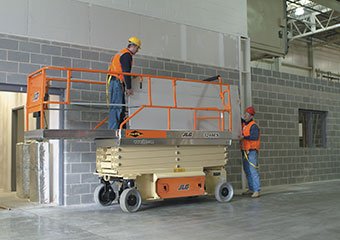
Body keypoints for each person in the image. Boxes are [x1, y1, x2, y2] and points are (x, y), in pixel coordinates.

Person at [107, 36, 141, 129]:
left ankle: (119, 128)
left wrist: (131, 77)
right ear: (133, 46)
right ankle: (113, 130)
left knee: (119, 106)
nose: (137, 51)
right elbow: (126, 72)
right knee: (117, 107)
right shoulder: (127, 55)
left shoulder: (122, 53)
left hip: (116, 81)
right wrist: (129, 88)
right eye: (137, 48)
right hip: (117, 82)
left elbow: (123, 70)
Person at [240, 106, 261, 198]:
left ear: (251, 116)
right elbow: (241, 120)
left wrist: (243, 137)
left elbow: (254, 137)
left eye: (247, 114)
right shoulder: (245, 125)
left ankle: (256, 190)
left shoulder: (253, 126)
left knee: (253, 170)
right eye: (245, 114)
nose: (245, 115)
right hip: (245, 150)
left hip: (252, 151)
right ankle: (251, 189)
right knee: (247, 170)